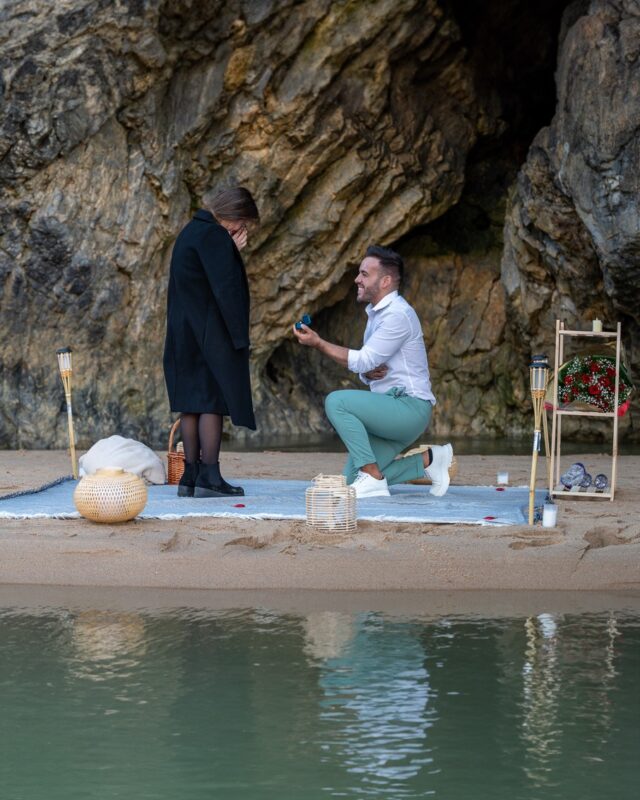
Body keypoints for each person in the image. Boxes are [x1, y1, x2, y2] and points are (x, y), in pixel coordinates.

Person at [293, 245, 453, 499]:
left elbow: (364, 359)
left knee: (337, 402)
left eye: (365, 274)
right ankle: (430, 460)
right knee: (348, 483)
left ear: (386, 280)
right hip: (389, 409)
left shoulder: (398, 315)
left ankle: (371, 475)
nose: (357, 279)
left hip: (408, 408)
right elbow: (368, 367)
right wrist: (367, 374)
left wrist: (319, 343)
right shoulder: (377, 315)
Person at [163, 186, 259, 498]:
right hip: (208, 333)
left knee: (191, 402)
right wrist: (238, 339)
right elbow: (226, 287)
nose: (241, 231)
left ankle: (189, 476)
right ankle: (211, 475)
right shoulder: (215, 236)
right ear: (234, 216)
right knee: (212, 401)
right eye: (242, 225)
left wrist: (227, 249)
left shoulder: (190, 232)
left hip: (182, 332)